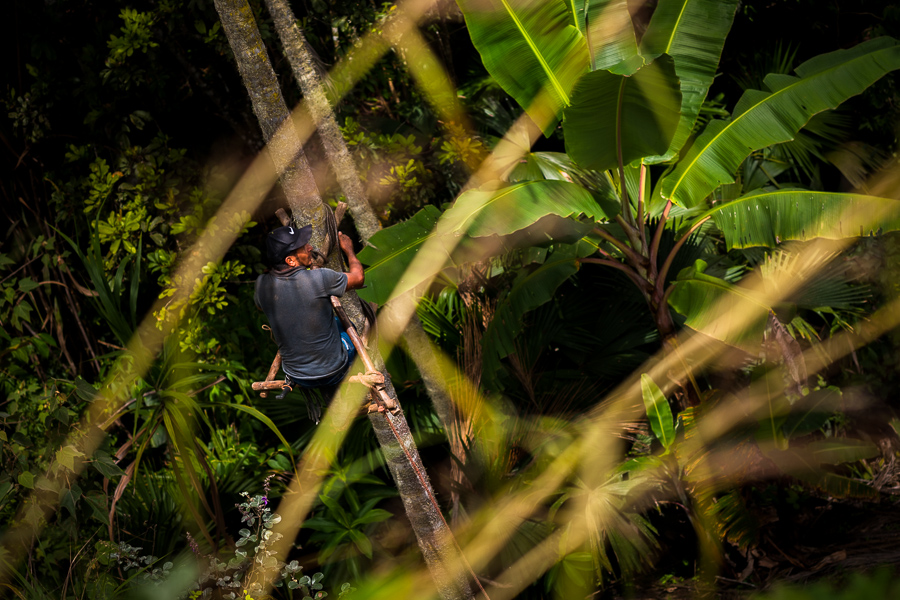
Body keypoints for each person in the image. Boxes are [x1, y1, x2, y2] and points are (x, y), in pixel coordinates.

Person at [254, 223, 365, 414]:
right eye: (304, 246)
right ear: (290, 260)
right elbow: (358, 277)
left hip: (297, 375)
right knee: (349, 326)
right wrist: (349, 250)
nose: (310, 247)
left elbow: (259, 305)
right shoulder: (320, 278)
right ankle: (344, 386)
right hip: (334, 370)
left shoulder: (262, 285)